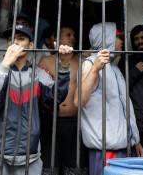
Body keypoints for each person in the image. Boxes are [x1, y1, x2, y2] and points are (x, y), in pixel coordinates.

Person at [0, 24, 73, 175]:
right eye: (11, 39)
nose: (15, 43)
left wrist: (63, 65)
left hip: (30, 155)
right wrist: (5, 65)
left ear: (30, 45)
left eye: (21, 39)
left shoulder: (38, 74)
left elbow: (56, 97)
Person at [76, 22, 143, 175]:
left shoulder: (114, 68)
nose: (121, 41)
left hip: (124, 147)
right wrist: (94, 70)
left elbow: (125, 108)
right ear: (106, 39)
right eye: (118, 37)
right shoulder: (90, 64)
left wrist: (135, 140)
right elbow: (79, 101)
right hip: (106, 150)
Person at [39, 26, 87, 175]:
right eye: (68, 34)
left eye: (74, 35)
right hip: (51, 121)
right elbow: (39, 91)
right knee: (49, 167)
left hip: (75, 121)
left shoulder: (81, 61)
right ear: (57, 38)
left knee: (73, 168)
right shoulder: (46, 61)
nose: (73, 37)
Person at [119, 25, 143, 157]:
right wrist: (134, 72)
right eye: (136, 39)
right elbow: (119, 89)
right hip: (137, 124)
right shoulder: (126, 60)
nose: (140, 41)